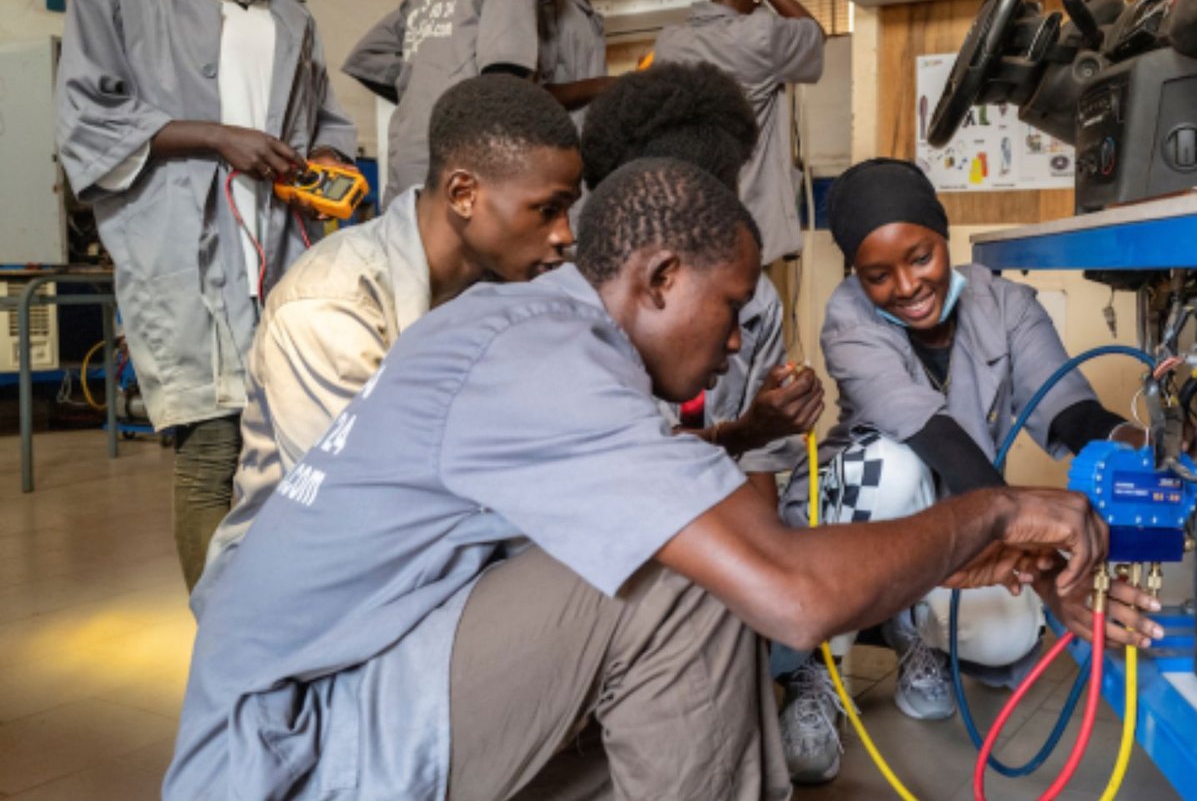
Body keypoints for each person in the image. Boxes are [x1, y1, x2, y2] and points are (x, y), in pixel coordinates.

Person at [166, 157, 1110, 800]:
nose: (740, 337)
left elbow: (735, 524)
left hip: (358, 675)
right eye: (732, 306)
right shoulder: (544, 356)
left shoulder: (533, 331)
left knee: (707, 541)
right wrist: (996, 511)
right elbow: (785, 590)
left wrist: (932, 564)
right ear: (659, 278)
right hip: (294, 751)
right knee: (690, 584)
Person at [771, 158, 1164, 784]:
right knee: (896, 470)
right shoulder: (848, 319)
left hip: (959, 516)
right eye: (878, 275)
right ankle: (818, 667)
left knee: (1007, 635)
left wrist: (1143, 443)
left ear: (943, 235)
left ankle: (910, 632)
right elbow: (936, 437)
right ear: (855, 275)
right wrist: (1046, 570)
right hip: (856, 514)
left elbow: (1069, 411)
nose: (906, 286)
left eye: (920, 257)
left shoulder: (1007, 304)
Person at [54, 0, 355, 591]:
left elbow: (326, 114)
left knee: (286, 447)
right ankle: (221, 642)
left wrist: (328, 157)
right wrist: (216, 136)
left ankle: (271, 613)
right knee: (212, 448)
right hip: (181, 255)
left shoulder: (289, 11)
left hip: (278, 252)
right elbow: (86, 120)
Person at [213, 75, 581, 567]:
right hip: (311, 585)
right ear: (463, 193)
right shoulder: (327, 304)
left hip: (433, 554)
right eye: (548, 210)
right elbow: (361, 504)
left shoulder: (516, 288)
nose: (565, 235)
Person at [581, 62, 822, 502]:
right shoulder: (577, 325)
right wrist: (744, 432)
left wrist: (753, 435)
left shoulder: (756, 302)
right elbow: (632, 474)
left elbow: (757, 475)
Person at [343, 0, 565, 202]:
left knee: (408, 239)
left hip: (408, 156)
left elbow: (367, 56)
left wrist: (421, 86)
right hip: (463, 154)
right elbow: (506, 69)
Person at [652, 0, 825, 266]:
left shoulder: (669, 44)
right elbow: (815, 34)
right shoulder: (762, 36)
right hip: (749, 219)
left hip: (688, 217)